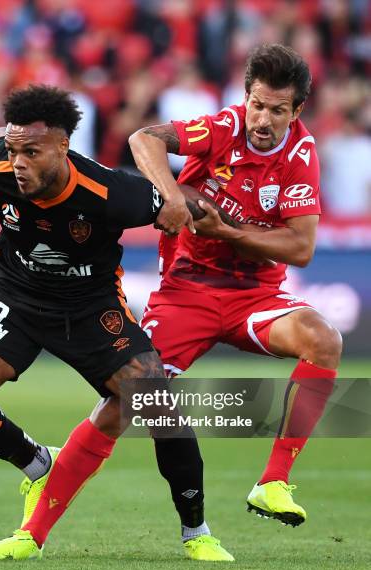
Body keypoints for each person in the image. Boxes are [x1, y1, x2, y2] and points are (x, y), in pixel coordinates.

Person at [0, 84, 233, 562]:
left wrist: (190, 205)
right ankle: (38, 463)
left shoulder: (112, 193)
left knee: (156, 403)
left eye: (31, 152)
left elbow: (180, 202)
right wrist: (5, 142)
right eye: (13, 151)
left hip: (91, 307)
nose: (19, 163)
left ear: (63, 147)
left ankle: (196, 531)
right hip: (14, 294)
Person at [130, 44, 342, 526]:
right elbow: (143, 139)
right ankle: (44, 479)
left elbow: (301, 248)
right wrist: (173, 199)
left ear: (298, 111)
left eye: (278, 110)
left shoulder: (302, 154)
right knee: (129, 397)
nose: (263, 119)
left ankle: (274, 482)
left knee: (324, 341)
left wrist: (228, 232)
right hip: (189, 288)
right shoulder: (222, 127)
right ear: (245, 96)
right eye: (258, 105)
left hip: (254, 294)